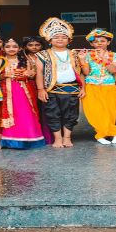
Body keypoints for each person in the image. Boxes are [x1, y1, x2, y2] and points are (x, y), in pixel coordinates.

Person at [35, 17, 83, 148]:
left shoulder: (74, 54)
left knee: (71, 114)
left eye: (63, 37)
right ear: (50, 40)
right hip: (51, 89)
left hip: (72, 88)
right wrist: (40, 89)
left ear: (69, 40)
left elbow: (80, 72)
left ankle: (67, 138)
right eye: (56, 37)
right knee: (52, 114)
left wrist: (83, 88)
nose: (60, 39)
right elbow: (39, 73)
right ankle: (58, 138)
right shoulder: (43, 54)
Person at [0, 38, 45, 149]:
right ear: (3, 49)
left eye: (14, 46)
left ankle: (29, 138)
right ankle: (8, 140)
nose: (11, 49)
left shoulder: (25, 60)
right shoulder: (0, 60)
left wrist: (28, 74)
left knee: (25, 112)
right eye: (8, 47)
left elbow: (33, 74)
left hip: (23, 91)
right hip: (7, 91)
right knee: (10, 113)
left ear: (19, 48)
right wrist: (5, 75)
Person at [78, 29, 116, 145]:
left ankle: (114, 134)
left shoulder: (115, 55)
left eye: (102, 41)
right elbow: (86, 72)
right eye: (96, 42)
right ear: (92, 44)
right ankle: (101, 134)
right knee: (95, 112)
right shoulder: (87, 55)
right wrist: (82, 60)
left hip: (109, 86)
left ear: (108, 42)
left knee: (110, 111)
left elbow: (113, 70)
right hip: (91, 86)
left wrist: (104, 58)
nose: (99, 43)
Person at [23, 36, 53, 144]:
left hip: (45, 86)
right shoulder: (23, 57)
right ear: (25, 46)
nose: (34, 47)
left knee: (45, 110)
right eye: (30, 45)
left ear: (42, 46)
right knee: (32, 110)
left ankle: (47, 135)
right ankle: (34, 134)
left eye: (37, 45)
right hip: (29, 86)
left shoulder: (47, 56)